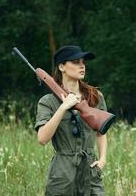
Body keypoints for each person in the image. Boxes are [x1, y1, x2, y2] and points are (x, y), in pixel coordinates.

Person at [34, 45, 108, 196]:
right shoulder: (47, 102)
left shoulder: (95, 97)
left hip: (90, 171)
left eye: (83, 62)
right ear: (61, 66)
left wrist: (102, 160)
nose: (82, 66)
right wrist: (63, 108)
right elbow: (42, 139)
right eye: (75, 62)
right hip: (62, 174)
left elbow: (101, 132)